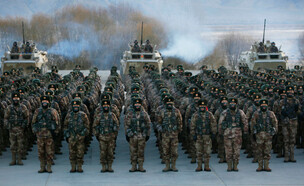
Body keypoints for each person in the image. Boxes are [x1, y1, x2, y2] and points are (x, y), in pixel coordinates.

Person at [32, 95, 60, 173]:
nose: (44, 103)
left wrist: (55, 133)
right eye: (43, 101)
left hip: (49, 136)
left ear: (49, 102)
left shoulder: (53, 111)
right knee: (41, 152)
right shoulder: (37, 111)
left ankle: (49, 167)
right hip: (40, 135)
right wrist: (35, 131)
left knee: (49, 152)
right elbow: (33, 122)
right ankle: (42, 167)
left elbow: (57, 123)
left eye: (46, 101)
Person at [218, 98, 248, 172]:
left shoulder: (240, 112)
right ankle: (229, 166)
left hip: (238, 134)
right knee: (228, 151)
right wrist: (220, 133)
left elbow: (245, 122)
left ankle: (235, 165)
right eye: (231, 103)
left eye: (234, 103)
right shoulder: (225, 112)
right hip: (227, 134)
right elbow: (220, 123)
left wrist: (245, 132)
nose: (232, 105)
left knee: (237, 152)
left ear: (236, 104)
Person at [125, 98, 151, 172]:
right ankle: (133, 166)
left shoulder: (144, 114)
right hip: (132, 136)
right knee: (133, 152)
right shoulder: (130, 114)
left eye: (138, 104)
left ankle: (140, 166)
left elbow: (148, 124)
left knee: (141, 152)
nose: (137, 105)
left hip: (141, 136)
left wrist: (147, 134)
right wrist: (127, 134)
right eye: (136, 104)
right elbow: (127, 125)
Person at [251, 99, 278, 172]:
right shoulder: (256, 113)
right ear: (260, 106)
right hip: (259, 135)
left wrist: (275, 132)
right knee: (259, 151)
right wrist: (253, 133)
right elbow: (253, 123)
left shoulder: (271, 113)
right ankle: (260, 166)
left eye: (265, 105)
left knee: (267, 151)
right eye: (262, 105)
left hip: (268, 135)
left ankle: (266, 166)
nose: (264, 106)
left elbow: (275, 123)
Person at [157, 96, 182, 172]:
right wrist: (161, 130)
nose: (169, 104)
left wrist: (179, 131)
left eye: (171, 102)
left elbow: (180, 122)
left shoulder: (177, 111)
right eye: (168, 103)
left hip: (174, 135)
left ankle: (173, 165)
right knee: (166, 151)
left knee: (174, 151)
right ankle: (167, 166)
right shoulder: (162, 112)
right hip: (165, 135)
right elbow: (159, 122)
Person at [93, 99, 119, 173]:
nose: (105, 107)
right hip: (102, 137)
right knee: (103, 153)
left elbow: (116, 124)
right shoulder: (99, 116)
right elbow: (95, 126)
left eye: (107, 105)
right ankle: (103, 166)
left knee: (110, 152)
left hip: (111, 137)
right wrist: (97, 135)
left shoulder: (112, 115)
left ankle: (110, 166)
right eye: (104, 105)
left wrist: (114, 134)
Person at [64, 99, 90, 173]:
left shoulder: (83, 115)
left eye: (77, 106)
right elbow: (65, 126)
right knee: (72, 153)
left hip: (80, 138)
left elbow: (87, 126)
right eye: (74, 106)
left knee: (80, 153)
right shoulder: (69, 115)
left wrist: (83, 134)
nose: (75, 107)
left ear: (79, 106)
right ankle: (73, 167)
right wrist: (67, 134)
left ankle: (79, 167)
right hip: (71, 137)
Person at [190, 99, 216, 172]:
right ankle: (199, 166)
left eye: (203, 106)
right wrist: (193, 134)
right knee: (199, 152)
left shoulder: (210, 114)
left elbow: (213, 124)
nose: (202, 107)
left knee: (207, 152)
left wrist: (214, 133)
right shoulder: (195, 115)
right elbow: (192, 125)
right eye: (200, 106)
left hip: (207, 136)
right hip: (198, 136)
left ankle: (207, 166)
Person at [4, 92, 29, 166]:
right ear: (12, 99)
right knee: (12, 145)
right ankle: (13, 159)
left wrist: (24, 125)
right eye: (14, 98)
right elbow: (6, 118)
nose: (16, 99)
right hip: (12, 129)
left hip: (20, 129)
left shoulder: (23, 107)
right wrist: (8, 125)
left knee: (20, 145)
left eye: (17, 98)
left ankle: (19, 159)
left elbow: (27, 117)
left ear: (19, 98)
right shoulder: (9, 108)